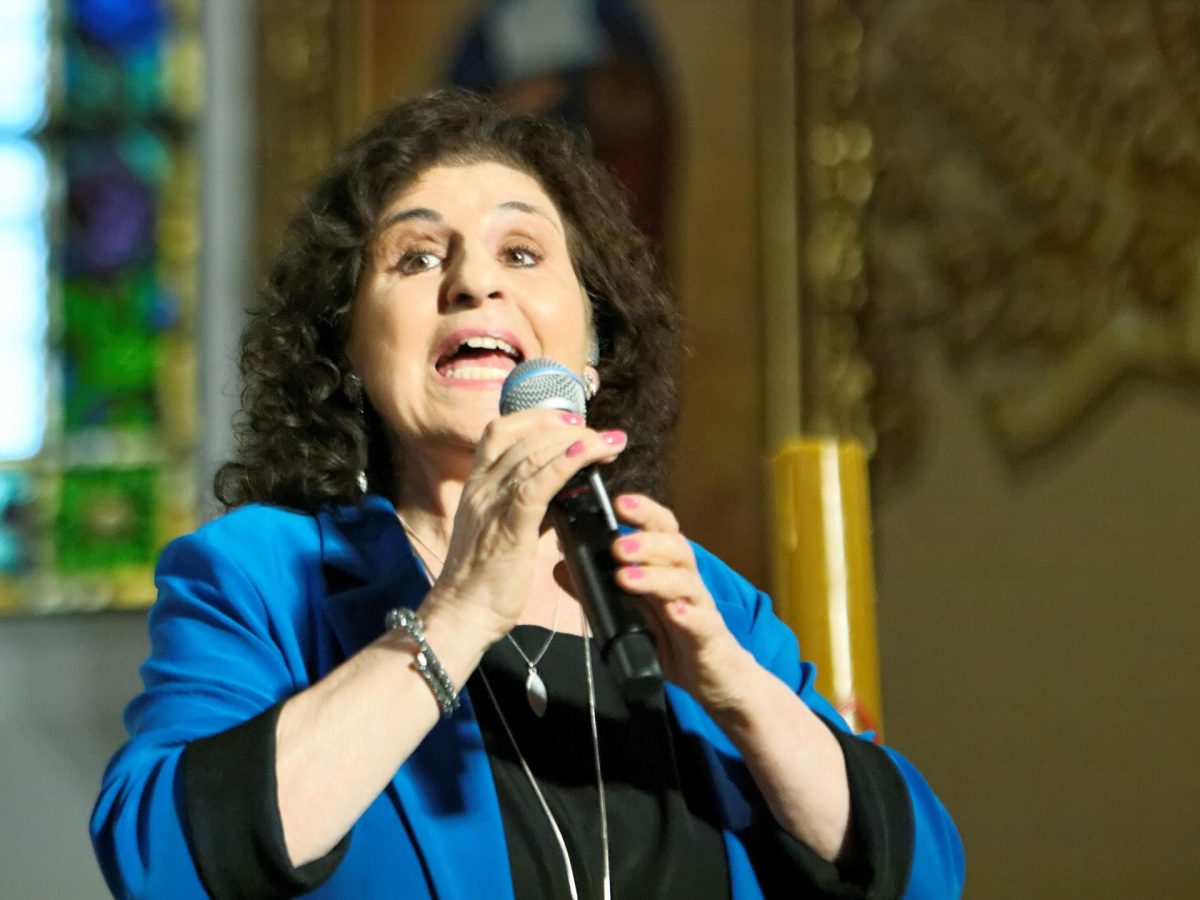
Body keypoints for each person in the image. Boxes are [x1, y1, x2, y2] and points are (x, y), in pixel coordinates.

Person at [91, 89, 964, 899]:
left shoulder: (707, 601)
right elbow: (163, 864)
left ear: (593, 350)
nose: (475, 283)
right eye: (417, 257)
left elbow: (925, 876)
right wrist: (459, 613)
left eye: (521, 253)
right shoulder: (261, 579)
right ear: (348, 350)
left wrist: (735, 688)